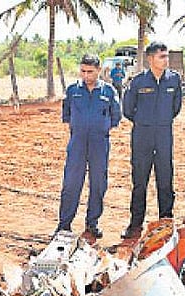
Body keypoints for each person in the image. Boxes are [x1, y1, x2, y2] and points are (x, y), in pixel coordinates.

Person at [56, 54, 121, 240]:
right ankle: (64, 224)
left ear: (98, 70)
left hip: (99, 143)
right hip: (77, 142)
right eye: (83, 71)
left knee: (98, 183)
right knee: (71, 183)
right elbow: (67, 114)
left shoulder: (108, 91)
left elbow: (116, 116)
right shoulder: (72, 90)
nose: (86, 75)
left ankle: (92, 223)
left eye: (90, 72)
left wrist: (100, 128)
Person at [121, 42, 182, 239]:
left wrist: (161, 121)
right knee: (140, 181)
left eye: (166, 56)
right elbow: (128, 109)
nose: (166, 60)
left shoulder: (174, 79)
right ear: (150, 59)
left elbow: (176, 107)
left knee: (165, 180)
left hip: (164, 135)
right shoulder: (138, 81)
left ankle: (166, 223)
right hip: (142, 136)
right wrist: (145, 122)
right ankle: (135, 223)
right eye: (161, 56)